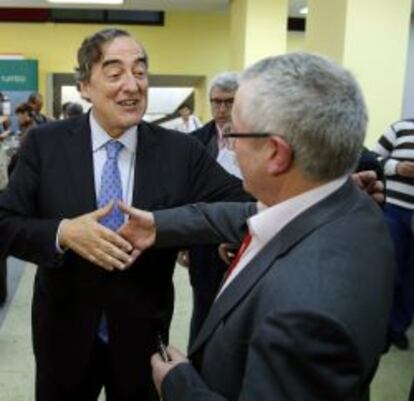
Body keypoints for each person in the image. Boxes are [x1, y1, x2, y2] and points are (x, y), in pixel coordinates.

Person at [119, 53, 394, 401]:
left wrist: (179, 385)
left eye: (234, 133)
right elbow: (244, 214)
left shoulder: (306, 313)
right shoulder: (349, 203)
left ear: (276, 154)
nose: (230, 146)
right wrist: (158, 224)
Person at [0, 28, 246, 401]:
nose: (131, 86)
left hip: (143, 335)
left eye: (141, 72)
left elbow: (243, 203)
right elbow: (5, 221)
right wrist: (63, 233)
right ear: (84, 85)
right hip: (63, 334)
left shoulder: (181, 152)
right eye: (114, 73)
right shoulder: (45, 145)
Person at [184, 72, 242, 346]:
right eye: (215, 102)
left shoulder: (261, 137)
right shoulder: (196, 140)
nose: (220, 109)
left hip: (246, 234)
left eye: (228, 102)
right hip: (204, 238)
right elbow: (187, 192)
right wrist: (183, 243)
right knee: (204, 307)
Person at [374, 119, 414, 350]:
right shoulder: (400, 128)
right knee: (388, 270)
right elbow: (374, 159)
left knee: (412, 278)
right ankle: (377, 326)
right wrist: (397, 168)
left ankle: (397, 328)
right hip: (394, 212)